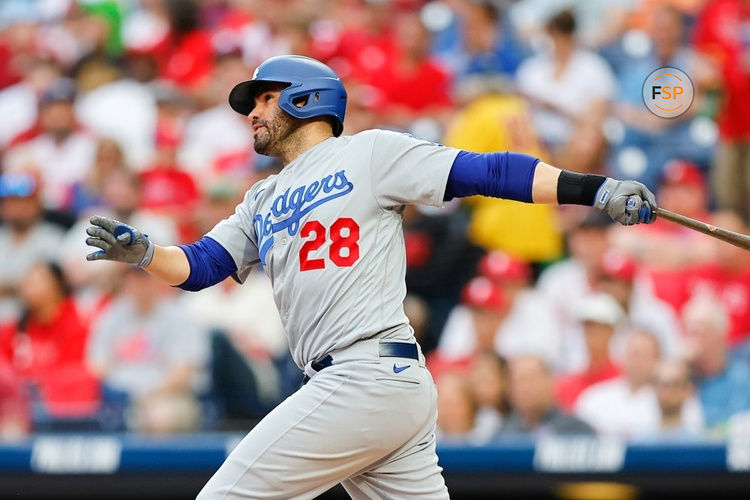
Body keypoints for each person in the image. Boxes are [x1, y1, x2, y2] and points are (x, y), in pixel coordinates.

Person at [84, 55, 657, 498]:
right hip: (375, 387)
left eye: (263, 99)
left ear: (306, 99)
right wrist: (144, 253)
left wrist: (593, 189)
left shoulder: (369, 153)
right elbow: (201, 266)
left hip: (364, 375)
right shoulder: (259, 197)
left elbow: (485, 170)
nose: (251, 114)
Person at [500, 355, 593, 438]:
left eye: (531, 379)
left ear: (550, 381)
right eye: (518, 381)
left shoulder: (574, 429)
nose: (524, 388)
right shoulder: (503, 433)